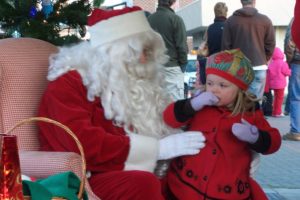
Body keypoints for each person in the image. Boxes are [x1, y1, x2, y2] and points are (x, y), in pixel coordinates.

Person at [37, 6, 206, 200]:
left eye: (149, 51)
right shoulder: (70, 83)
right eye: (139, 51)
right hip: (83, 178)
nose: (146, 59)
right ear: (114, 52)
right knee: (143, 183)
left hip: (135, 169)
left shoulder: (136, 84)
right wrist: (156, 150)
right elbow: (82, 142)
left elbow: (164, 119)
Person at [162, 49, 282, 200]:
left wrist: (256, 137)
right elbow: (168, 118)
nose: (214, 89)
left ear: (239, 89)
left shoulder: (249, 112)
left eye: (223, 85)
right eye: (210, 83)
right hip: (183, 188)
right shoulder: (199, 106)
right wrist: (191, 105)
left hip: (227, 192)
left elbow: (274, 142)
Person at [221, 0, 275, 99]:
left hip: (238, 66)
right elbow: (270, 44)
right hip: (259, 65)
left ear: (241, 2)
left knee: (239, 102)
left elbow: (226, 47)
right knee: (255, 102)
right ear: (254, 1)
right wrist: (264, 58)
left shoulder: (231, 21)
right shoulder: (265, 20)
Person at [148, 0, 188, 101]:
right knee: (174, 108)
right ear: (172, 2)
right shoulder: (176, 19)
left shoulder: (149, 20)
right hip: (172, 68)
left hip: (154, 69)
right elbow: (182, 47)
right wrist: (182, 66)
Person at [282, 17, 300, 141]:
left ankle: (296, 131)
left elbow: (289, 42)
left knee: (296, 98)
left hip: (298, 63)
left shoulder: (296, 19)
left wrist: (289, 60)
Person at [267, 47, 291, 117]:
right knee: (279, 98)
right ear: (281, 54)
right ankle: (278, 112)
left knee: (275, 98)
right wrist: (290, 72)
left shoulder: (271, 63)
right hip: (280, 85)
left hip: (273, 85)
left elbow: (269, 73)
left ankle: (274, 112)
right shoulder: (282, 63)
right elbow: (286, 72)